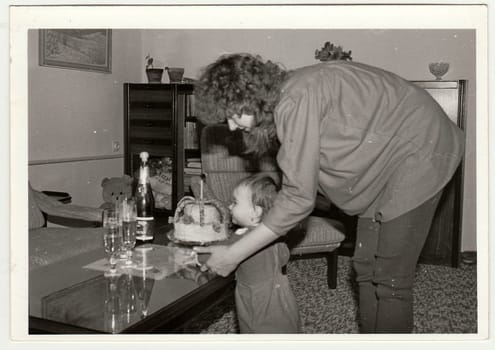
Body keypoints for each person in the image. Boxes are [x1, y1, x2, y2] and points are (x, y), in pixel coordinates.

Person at [192, 53, 465, 333]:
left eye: (233, 114)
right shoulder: (288, 97)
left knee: (391, 280)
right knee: (366, 269)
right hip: (386, 160)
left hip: (422, 147)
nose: (233, 126)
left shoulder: (294, 99)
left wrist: (234, 254)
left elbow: (298, 198)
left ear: (249, 98)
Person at [229, 174, 300, 333]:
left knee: (255, 326)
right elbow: (284, 256)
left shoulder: (241, 237)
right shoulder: (272, 235)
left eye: (234, 202)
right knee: (285, 323)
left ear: (255, 212)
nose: (230, 207)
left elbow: (224, 255)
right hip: (280, 290)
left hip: (255, 296)